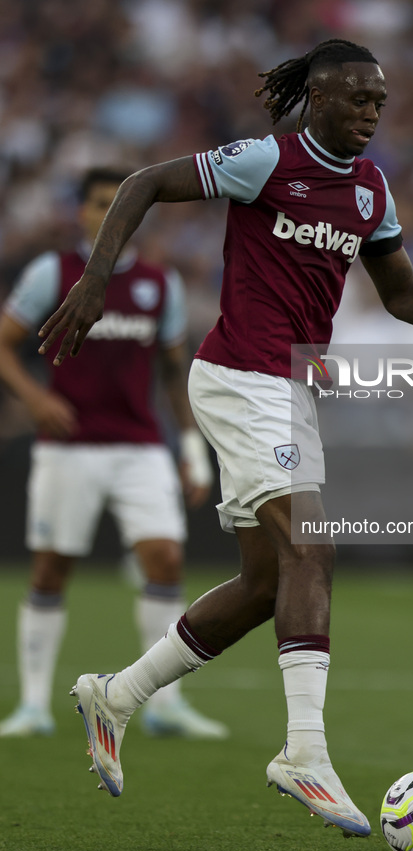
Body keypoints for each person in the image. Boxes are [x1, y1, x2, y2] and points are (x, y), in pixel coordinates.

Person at [37, 40, 413, 837]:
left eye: (380, 102)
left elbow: (400, 293)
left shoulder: (370, 191)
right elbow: (143, 182)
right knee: (313, 546)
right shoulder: (266, 159)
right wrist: (95, 277)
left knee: (267, 584)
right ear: (320, 99)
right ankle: (305, 750)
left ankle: (115, 694)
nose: (372, 112)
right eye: (358, 99)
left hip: (289, 388)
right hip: (239, 373)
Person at [0, 167, 228, 741]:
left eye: (116, 204)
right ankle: (31, 705)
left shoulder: (160, 283)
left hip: (140, 446)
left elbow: (173, 372)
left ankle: (164, 704)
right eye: (98, 203)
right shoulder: (53, 273)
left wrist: (192, 451)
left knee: (166, 562)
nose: (108, 213)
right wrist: (34, 400)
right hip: (68, 447)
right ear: (79, 211)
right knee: (52, 569)